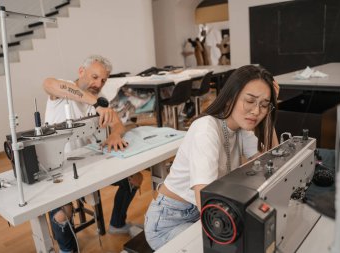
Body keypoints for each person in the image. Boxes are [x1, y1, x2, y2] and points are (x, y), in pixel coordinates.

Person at [144, 65, 279, 250]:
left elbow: (272, 162)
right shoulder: (205, 130)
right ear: (231, 96)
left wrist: (271, 111)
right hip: (170, 222)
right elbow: (205, 200)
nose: (256, 111)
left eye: (263, 105)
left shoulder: (240, 126)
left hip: (202, 214)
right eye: (250, 101)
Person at [43, 55, 141, 253]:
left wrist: (115, 134)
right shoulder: (63, 91)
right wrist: (96, 103)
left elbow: (118, 125)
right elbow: (48, 83)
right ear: (81, 72)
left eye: (103, 80)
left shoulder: (100, 100)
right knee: (63, 213)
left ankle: (117, 223)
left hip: (90, 164)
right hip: (59, 168)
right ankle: (67, 250)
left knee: (135, 179)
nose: (98, 84)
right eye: (94, 77)